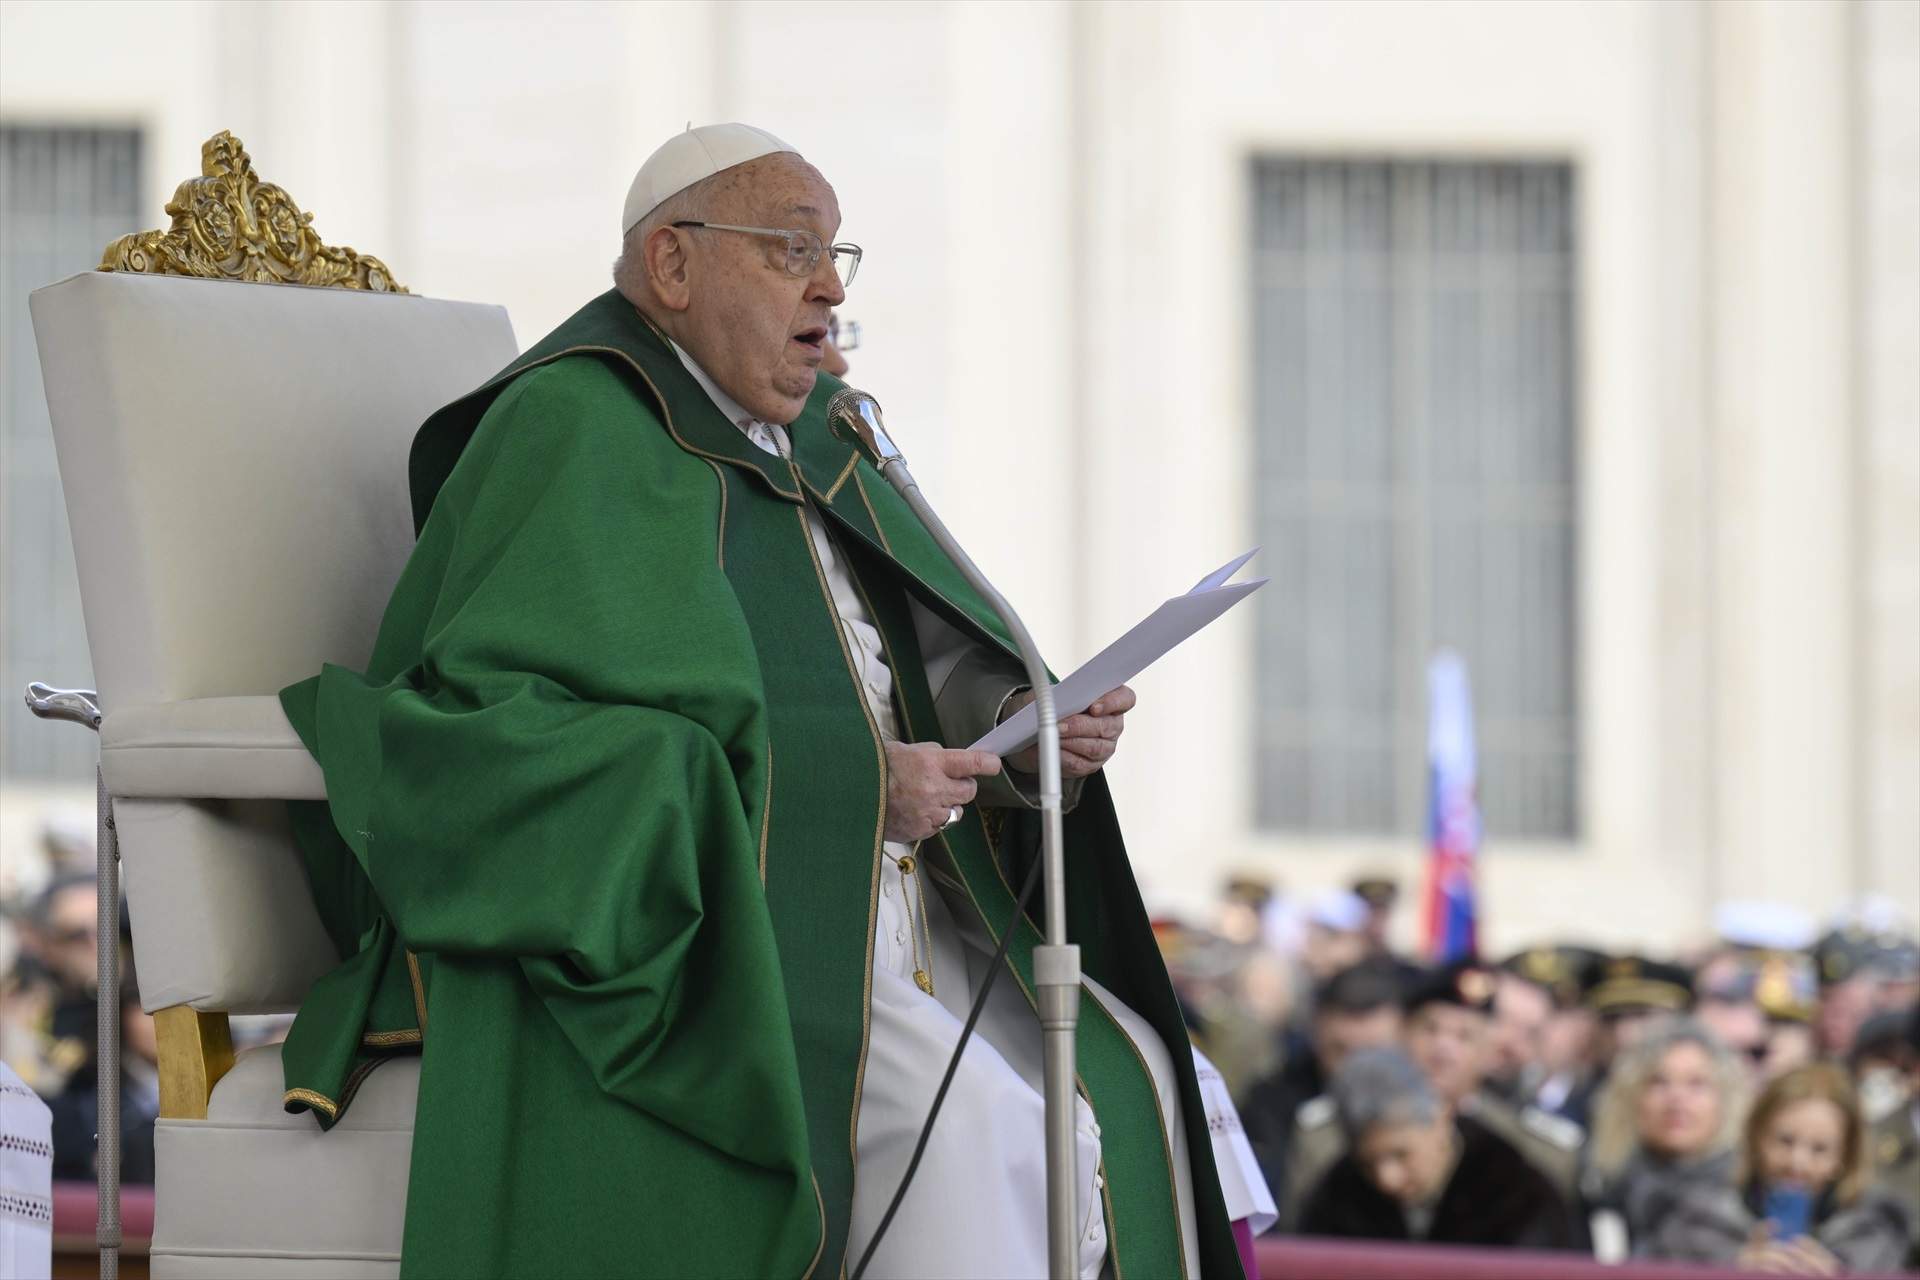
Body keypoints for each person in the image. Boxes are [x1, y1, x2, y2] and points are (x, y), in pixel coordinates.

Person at [273, 122, 1237, 1278]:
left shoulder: (815, 433)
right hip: (724, 934)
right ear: (672, 267)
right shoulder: (577, 425)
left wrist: (1025, 739)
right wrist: (838, 787)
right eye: (791, 251)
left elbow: (901, 667)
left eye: (839, 256)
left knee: (1140, 1085)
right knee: (981, 1132)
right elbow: (505, 737)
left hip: (896, 909)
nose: (830, 288)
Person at [1288, 962, 1584, 1220]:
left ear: (1488, 1051)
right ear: (1402, 1035)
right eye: (1430, 1029)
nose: (1443, 1050)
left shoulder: (1538, 1150)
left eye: (1464, 1036)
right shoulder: (1330, 1132)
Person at [1295, 1046, 1573, 1248]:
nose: (1387, 1178)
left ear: (1441, 1119)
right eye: (1368, 1164)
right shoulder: (1337, 1199)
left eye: (1401, 1154)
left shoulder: (1517, 1195)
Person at [1651, 1063, 1910, 1274]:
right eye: (1785, 1141)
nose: (1797, 1164)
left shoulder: (1870, 1236)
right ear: (1756, 1138)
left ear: (1843, 1158)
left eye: (1819, 1149)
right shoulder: (1701, 1222)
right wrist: (1730, 1268)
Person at [1241, 958, 1404, 1224]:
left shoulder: (1423, 1102)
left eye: (1370, 1053)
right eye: (1341, 1051)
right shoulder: (1270, 1102)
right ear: (1317, 1032)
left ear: (1400, 1039)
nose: (1355, 1070)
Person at [1583, 1018, 1745, 1257]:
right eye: (1659, 1082)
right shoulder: (1595, 1191)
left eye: (1696, 1084)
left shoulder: (1747, 1199)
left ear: (1726, 1100)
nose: (1676, 1099)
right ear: (1631, 1096)